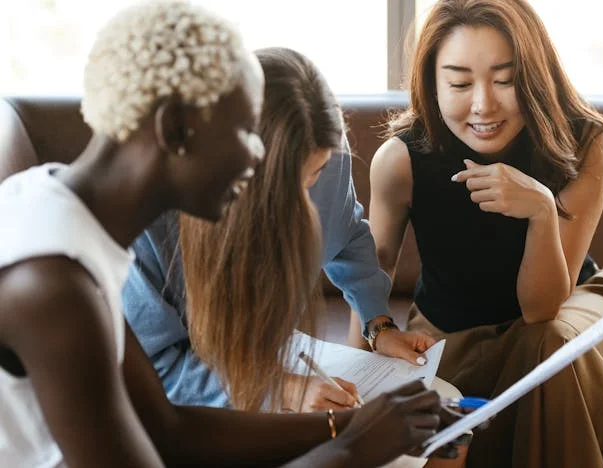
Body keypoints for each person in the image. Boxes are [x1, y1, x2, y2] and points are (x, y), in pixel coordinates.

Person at [0, 2, 448, 467]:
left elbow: (167, 428)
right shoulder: (52, 287)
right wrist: (352, 448)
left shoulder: (66, 220)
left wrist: (349, 425)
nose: (256, 155)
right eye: (243, 130)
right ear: (176, 130)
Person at [352, 0, 603, 467]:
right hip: (450, 329)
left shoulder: (584, 143)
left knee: (549, 345)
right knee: (544, 357)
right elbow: (371, 270)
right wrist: (356, 377)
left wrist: (540, 211)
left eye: (504, 80)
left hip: (572, 307)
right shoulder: (400, 160)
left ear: (534, 76)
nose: (483, 105)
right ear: (431, 84)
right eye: (459, 82)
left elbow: (541, 310)